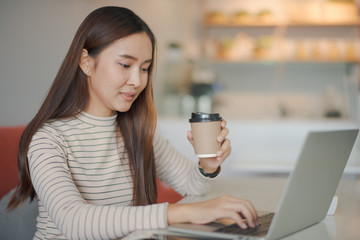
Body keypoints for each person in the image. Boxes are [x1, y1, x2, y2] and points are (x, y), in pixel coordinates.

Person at [7, 6, 258, 239]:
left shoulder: (138, 131)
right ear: (86, 62)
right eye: (125, 65)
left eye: (145, 68)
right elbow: (74, 222)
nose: (137, 81)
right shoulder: (48, 139)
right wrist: (186, 212)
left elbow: (193, 185)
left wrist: (208, 164)